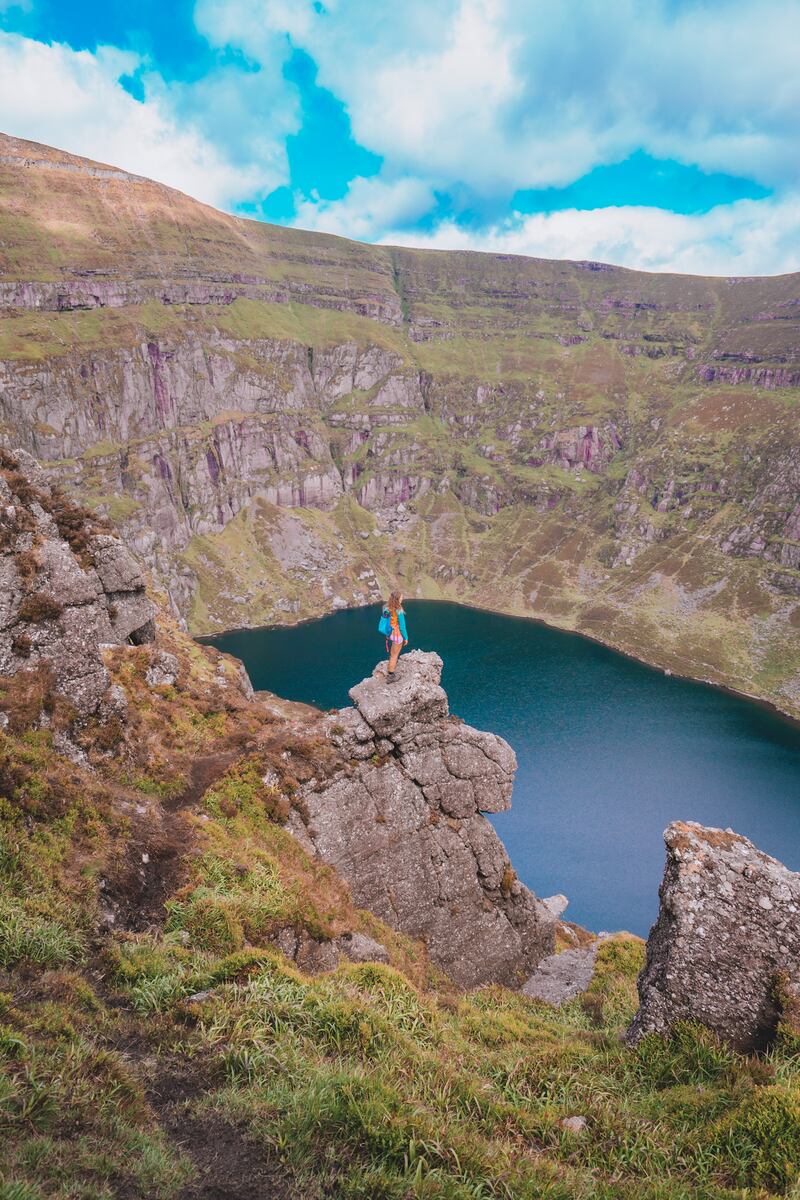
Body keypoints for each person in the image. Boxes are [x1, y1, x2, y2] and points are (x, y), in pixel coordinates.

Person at [379, 590, 408, 682]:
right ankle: (391, 675)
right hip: (397, 635)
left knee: (392, 654)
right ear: (397, 599)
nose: (402, 599)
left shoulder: (386, 608)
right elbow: (402, 627)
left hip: (390, 633)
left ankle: (390, 669)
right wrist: (406, 638)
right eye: (401, 598)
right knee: (394, 655)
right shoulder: (399, 611)